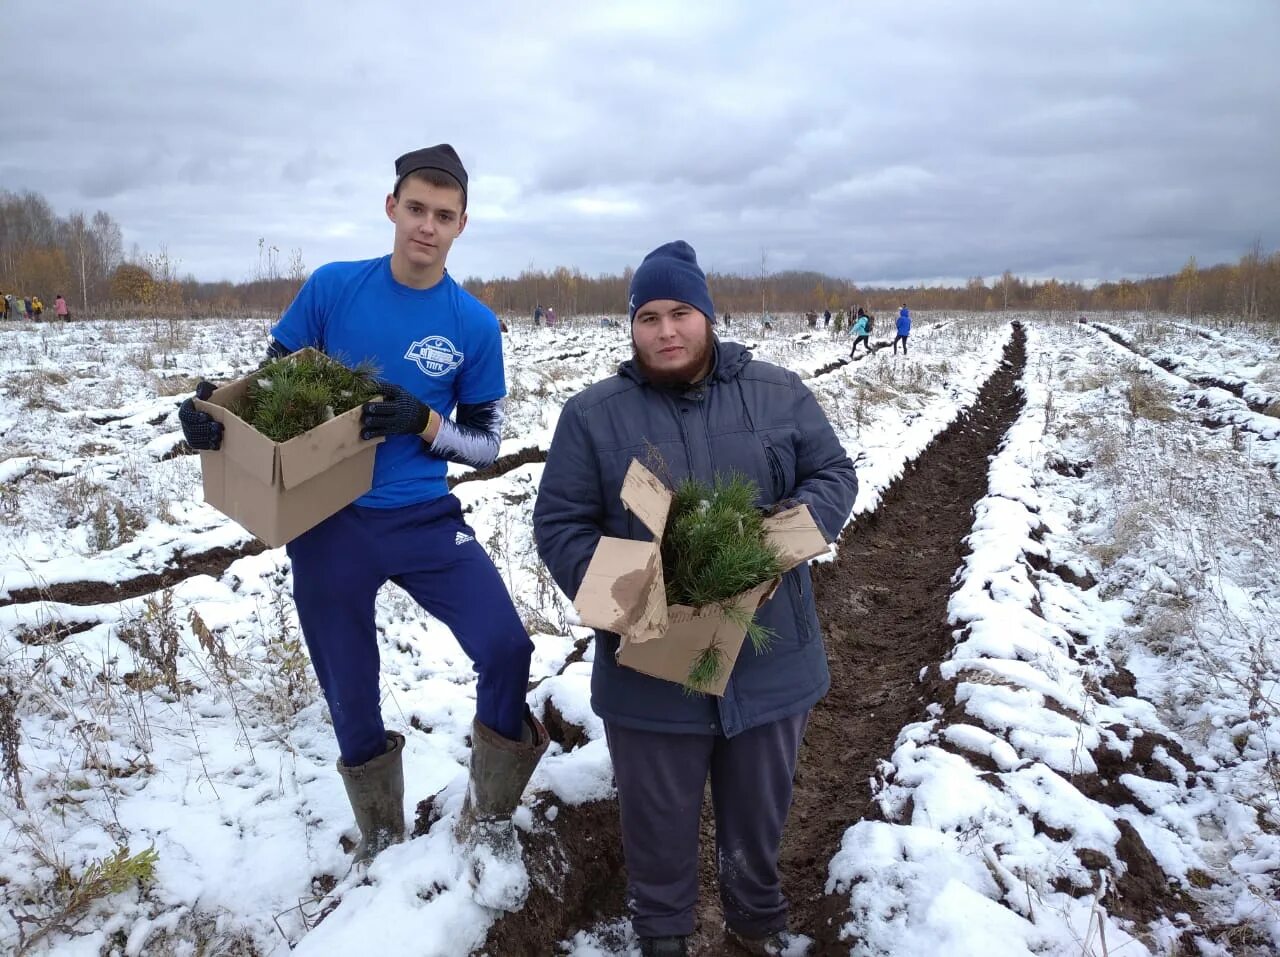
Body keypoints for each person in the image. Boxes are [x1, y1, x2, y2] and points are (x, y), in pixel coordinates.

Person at [176, 145, 548, 895]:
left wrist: (424, 421)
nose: (428, 226)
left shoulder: (472, 324)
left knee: (505, 644)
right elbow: (266, 389)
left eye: (444, 216)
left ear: (462, 225)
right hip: (327, 520)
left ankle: (497, 810)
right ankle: (382, 834)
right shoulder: (334, 289)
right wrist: (208, 413)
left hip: (422, 518)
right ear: (392, 207)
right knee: (350, 683)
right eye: (417, 208)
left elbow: (486, 444)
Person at [533, 240, 858, 957]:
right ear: (632, 325)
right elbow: (559, 524)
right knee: (656, 820)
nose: (666, 330)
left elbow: (833, 473)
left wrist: (780, 538)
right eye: (648, 316)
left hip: (770, 661)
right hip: (648, 664)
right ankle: (663, 937)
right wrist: (635, 589)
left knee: (758, 816)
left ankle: (754, 924)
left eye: (681, 311)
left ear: (708, 315)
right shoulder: (593, 416)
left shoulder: (778, 392)